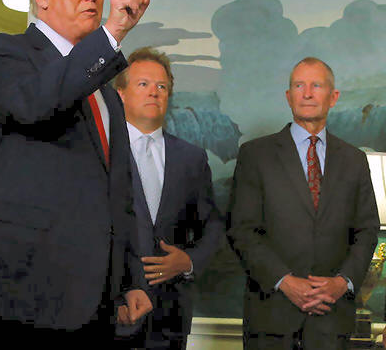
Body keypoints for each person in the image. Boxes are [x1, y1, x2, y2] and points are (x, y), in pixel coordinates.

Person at [0, 0, 152, 346]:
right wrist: (113, 33)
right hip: (21, 297)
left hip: (96, 303)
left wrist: (131, 279)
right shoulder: (0, 53)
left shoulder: (106, 90)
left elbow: (120, 192)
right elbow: (36, 103)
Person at [228, 57, 380, 349]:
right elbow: (242, 230)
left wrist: (341, 283)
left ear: (333, 97)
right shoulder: (255, 155)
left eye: (316, 85)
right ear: (289, 96)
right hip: (271, 320)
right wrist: (285, 281)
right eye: (299, 85)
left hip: (332, 322)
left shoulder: (354, 160)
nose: (307, 93)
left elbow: (367, 230)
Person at [113, 47, 223, 349]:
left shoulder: (192, 158)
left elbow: (213, 226)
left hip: (171, 319)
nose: (154, 92)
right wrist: (116, 296)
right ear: (121, 94)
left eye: (161, 86)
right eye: (143, 84)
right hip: (111, 314)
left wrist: (189, 261)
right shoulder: (100, 152)